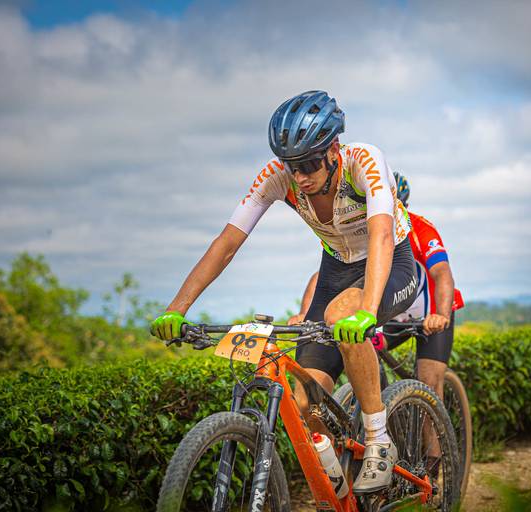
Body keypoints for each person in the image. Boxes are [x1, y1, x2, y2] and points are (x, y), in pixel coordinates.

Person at [150, 91, 417, 494]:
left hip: (391, 263)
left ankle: (379, 440)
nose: (300, 176)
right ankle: (334, 479)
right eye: (292, 166)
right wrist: (177, 309)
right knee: (304, 397)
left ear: (334, 150)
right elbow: (227, 243)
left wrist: (367, 308)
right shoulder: (278, 177)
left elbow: (381, 235)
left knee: (342, 316)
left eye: (309, 164)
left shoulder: (363, 161)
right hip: (337, 269)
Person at [290, 171, 464, 412]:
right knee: (363, 351)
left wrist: (441, 315)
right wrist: (305, 315)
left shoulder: (419, 229)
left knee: (429, 380)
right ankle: (386, 418)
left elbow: (442, 274)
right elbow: (323, 278)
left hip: (429, 313)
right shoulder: (360, 230)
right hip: (391, 311)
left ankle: (435, 438)